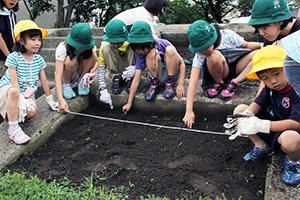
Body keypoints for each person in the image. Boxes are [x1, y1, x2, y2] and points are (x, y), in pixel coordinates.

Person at [223, 45, 300, 185]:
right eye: (265, 78)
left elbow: (296, 123)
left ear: (287, 68)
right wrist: (246, 116)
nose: (273, 81)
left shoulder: (297, 89)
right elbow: (257, 104)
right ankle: (262, 146)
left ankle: (294, 161)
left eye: (277, 74)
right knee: (240, 110)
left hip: (294, 133)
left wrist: (261, 125)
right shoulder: (270, 89)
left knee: (290, 139)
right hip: (274, 127)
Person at [183, 20, 261, 129]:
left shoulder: (228, 35)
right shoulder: (201, 53)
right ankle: (219, 83)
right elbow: (193, 80)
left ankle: (235, 83)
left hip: (236, 67)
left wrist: (263, 46)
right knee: (213, 55)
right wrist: (189, 110)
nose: (202, 51)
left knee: (258, 55)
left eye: (205, 48)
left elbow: (246, 44)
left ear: (213, 39)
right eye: (200, 50)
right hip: (219, 72)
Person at [0, 20, 58, 144]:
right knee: (15, 92)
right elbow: (14, 82)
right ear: (21, 41)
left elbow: (43, 80)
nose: (37, 43)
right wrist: (20, 99)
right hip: (9, 91)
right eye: (33, 39)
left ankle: (13, 115)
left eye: (39, 39)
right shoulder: (13, 57)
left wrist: (49, 99)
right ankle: (13, 129)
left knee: (31, 113)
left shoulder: (38, 59)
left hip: (27, 93)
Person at [122, 21, 185, 114]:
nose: (140, 51)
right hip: (156, 77)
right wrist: (129, 102)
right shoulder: (140, 54)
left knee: (170, 50)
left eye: (142, 48)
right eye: (137, 48)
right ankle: (155, 84)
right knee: (152, 54)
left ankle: (170, 85)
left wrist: (181, 84)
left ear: (151, 42)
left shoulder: (164, 44)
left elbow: (182, 63)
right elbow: (136, 79)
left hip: (171, 74)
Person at [248, 0, 300, 94]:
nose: (261, 33)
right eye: (258, 29)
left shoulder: (297, 34)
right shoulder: (271, 37)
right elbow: (265, 70)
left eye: (264, 28)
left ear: (280, 21)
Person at [55, 23, 98, 113]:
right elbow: (58, 75)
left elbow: (96, 61)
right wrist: (60, 100)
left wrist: (93, 70)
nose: (82, 49)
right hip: (69, 74)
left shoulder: (91, 47)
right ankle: (67, 85)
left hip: (81, 71)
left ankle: (81, 82)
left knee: (90, 57)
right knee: (70, 59)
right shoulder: (62, 48)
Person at [98, 19, 136, 109]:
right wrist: (102, 89)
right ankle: (116, 78)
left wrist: (136, 68)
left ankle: (129, 80)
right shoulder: (105, 46)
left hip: (130, 68)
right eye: (113, 42)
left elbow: (143, 58)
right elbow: (101, 69)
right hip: (116, 68)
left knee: (132, 46)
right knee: (106, 48)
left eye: (118, 42)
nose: (115, 45)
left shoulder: (130, 42)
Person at [0, 0, 19, 76]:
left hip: (11, 57)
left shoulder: (12, 14)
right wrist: (9, 56)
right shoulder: (1, 15)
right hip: (2, 59)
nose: (13, 0)